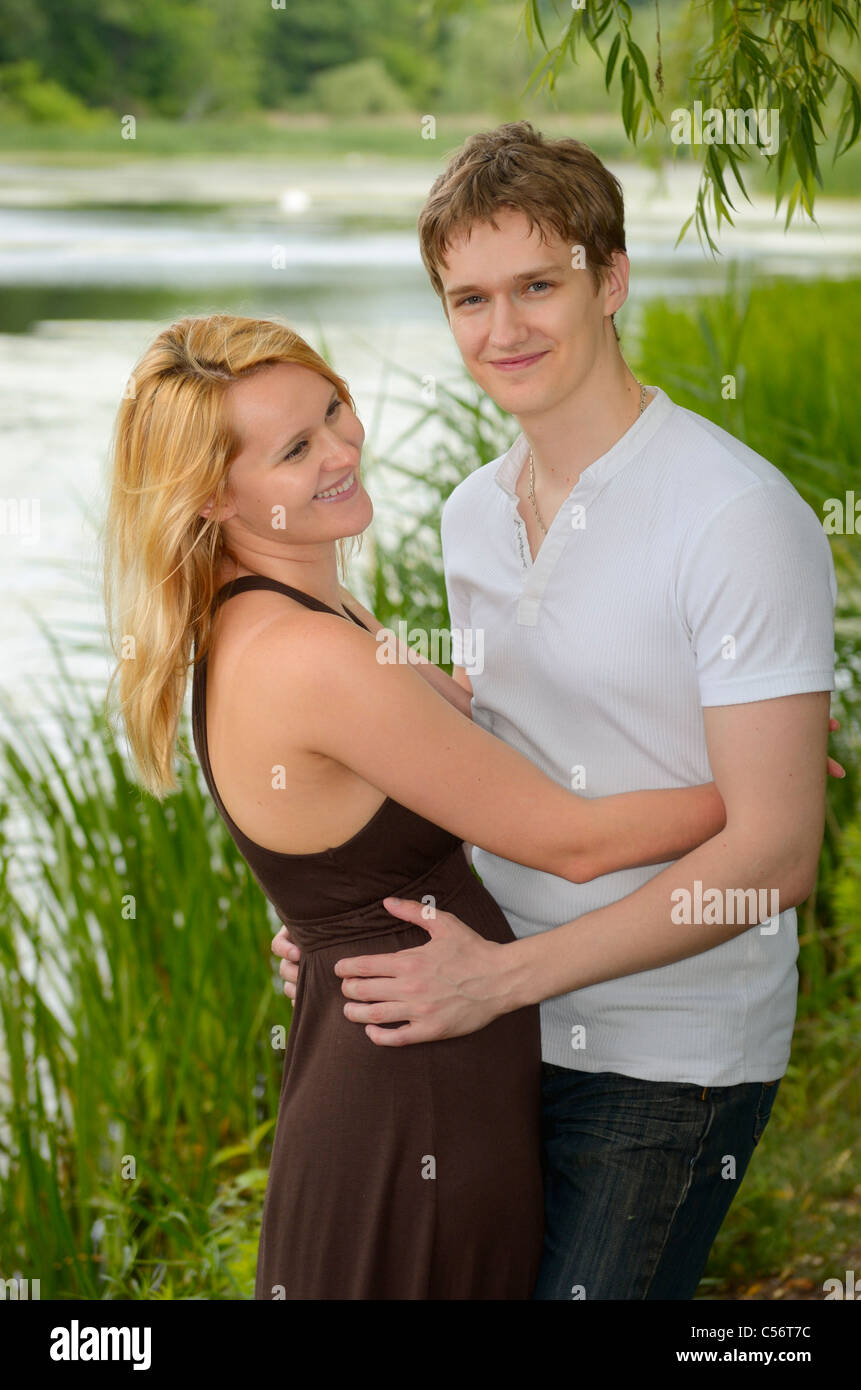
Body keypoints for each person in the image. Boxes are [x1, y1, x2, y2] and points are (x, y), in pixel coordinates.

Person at [273, 123, 842, 1300]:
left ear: (612, 277)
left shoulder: (734, 515)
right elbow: (520, 723)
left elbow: (777, 853)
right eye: (468, 298)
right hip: (496, 1022)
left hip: (665, 1052)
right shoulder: (473, 515)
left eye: (539, 284)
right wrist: (351, 928)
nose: (504, 330)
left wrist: (500, 979)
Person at [103, 311, 743, 1300]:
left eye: (332, 410)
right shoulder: (308, 655)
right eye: (296, 449)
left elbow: (436, 746)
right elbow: (569, 840)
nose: (343, 449)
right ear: (211, 498)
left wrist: (319, 921)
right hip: (412, 1110)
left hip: (404, 1074)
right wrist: (749, 785)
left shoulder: (302, 612)